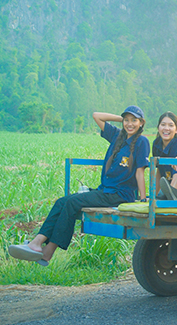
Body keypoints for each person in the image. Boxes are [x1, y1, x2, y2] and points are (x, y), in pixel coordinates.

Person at [9, 106, 150, 266]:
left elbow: (140, 172)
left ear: (141, 123)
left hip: (120, 194)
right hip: (105, 191)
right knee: (62, 201)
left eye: (134, 120)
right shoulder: (117, 136)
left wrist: (143, 198)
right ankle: (38, 244)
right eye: (127, 120)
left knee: (72, 203)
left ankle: (45, 250)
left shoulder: (141, 141)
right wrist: (122, 119)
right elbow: (97, 115)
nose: (129, 124)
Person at [152, 111, 177, 198]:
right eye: (163, 125)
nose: (166, 128)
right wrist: (154, 195)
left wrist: (169, 195)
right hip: (165, 186)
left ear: (176, 129)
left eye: (171, 125)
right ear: (158, 127)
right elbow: (159, 171)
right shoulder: (157, 143)